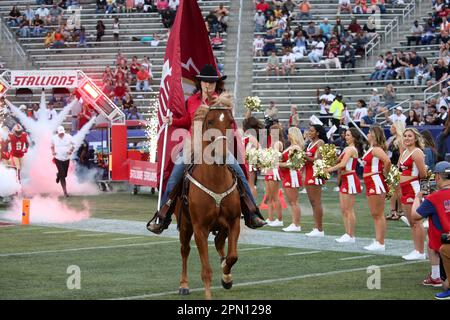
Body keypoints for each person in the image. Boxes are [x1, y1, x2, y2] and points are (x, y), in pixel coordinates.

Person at [147, 65, 266, 234]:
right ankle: (162, 216)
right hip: (193, 145)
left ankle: (251, 213)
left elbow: (230, 123)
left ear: (216, 84)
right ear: (200, 82)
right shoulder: (192, 101)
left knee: (239, 172)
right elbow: (187, 120)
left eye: (211, 83)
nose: (208, 85)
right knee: (174, 176)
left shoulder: (222, 102)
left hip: (217, 145)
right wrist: (172, 121)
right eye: (205, 82)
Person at [412, 161, 450, 297]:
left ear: (438, 177)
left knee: (446, 285)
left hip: (446, 245)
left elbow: (415, 216)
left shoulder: (434, 197)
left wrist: (418, 198)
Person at [325, 128, 364, 243]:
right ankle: (347, 233)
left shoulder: (352, 149)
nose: (346, 137)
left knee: (349, 209)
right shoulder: (346, 148)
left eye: (348, 135)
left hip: (350, 178)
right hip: (345, 178)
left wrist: (328, 170)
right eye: (345, 135)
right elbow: (338, 160)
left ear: (354, 137)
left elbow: (343, 163)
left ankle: (351, 235)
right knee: (344, 209)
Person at [399, 128, 428, 260]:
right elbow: (399, 170)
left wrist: (423, 193)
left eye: (410, 136)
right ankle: (416, 249)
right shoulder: (405, 152)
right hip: (404, 190)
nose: (407, 138)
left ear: (415, 138)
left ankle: (420, 252)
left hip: (414, 190)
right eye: (405, 136)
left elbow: (423, 174)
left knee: (417, 222)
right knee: (412, 223)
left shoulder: (417, 153)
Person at [362, 126, 391, 251]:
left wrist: (385, 174)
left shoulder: (377, 149)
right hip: (370, 182)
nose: (367, 134)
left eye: (369, 132)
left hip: (375, 181)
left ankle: (380, 242)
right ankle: (378, 240)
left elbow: (388, 162)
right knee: (375, 214)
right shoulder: (371, 148)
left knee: (378, 214)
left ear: (374, 135)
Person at [279, 127, 305, 232]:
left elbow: (293, 164)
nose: (287, 135)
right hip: (287, 176)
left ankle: (296, 224)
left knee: (294, 201)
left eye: (289, 134)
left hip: (292, 175)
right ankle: (294, 223)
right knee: (291, 201)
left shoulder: (296, 148)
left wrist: (278, 163)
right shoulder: (291, 146)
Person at [304, 124, 328, 237]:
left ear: (317, 133)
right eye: (309, 130)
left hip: (315, 174)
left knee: (316, 202)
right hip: (308, 174)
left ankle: (319, 229)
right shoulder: (309, 144)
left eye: (312, 131)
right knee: (312, 203)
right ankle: (316, 227)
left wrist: (304, 157)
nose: (309, 132)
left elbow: (319, 159)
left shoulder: (320, 143)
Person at [265, 123, 284, 227]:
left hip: (274, 170)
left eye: (272, 132)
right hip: (269, 170)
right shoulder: (272, 143)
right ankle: (270, 218)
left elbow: (275, 156)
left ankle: (279, 219)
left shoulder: (277, 143)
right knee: (268, 197)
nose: (270, 134)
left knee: (275, 196)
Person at [242, 117, 263, 199]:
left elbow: (260, 149)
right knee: (246, 185)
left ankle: (253, 205)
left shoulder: (251, 137)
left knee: (250, 185)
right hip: (244, 163)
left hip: (249, 163)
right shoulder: (247, 136)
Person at [51, 126, 75, 197]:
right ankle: (65, 192)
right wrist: (53, 152)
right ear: (57, 133)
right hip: (58, 158)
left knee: (64, 175)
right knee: (62, 176)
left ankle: (58, 175)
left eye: (62, 133)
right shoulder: (54, 138)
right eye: (60, 133)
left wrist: (71, 150)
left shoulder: (69, 137)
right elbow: (52, 146)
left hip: (66, 158)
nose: (61, 134)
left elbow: (74, 144)